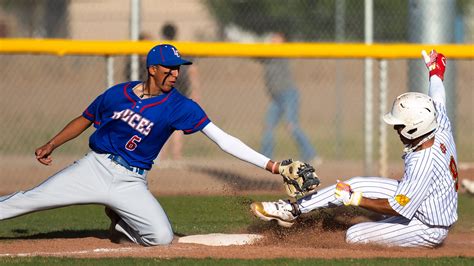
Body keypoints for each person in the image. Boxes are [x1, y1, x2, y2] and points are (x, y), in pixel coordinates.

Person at [0, 44, 292, 246]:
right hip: (94, 167)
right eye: (170, 68)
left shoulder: (180, 106)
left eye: (179, 69)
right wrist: (52, 143)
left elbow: (222, 139)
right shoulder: (118, 94)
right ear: (153, 68)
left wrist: (272, 165)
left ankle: (121, 225)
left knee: (161, 239)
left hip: (131, 180)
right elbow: (85, 118)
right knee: (30, 199)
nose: (176, 74)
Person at [251, 50, 458, 248]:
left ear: (415, 128)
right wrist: (435, 73)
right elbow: (438, 98)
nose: (395, 128)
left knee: (355, 235)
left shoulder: (423, 162)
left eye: (400, 125)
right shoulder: (438, 125)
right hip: (424, 198)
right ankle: (292, 209)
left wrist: (355, 199)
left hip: (428, 226)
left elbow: (400, 206)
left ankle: (390, 225)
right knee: (356, 183)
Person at [260, 32, 319, 163]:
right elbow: (255, 54)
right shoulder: (266, 54)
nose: (273, 42)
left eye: (277, 40)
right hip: (276, 98)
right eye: (272, 40)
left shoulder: (282, 52)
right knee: (268, 126)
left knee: (291, 125)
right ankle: (264, 159)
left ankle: (311, 154)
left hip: (288, 94)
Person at [159, 22, 200, 162]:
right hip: (181, 90)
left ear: (163, 34)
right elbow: (192, 70)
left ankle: (162, 156)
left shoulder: (160, 50)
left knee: (161, 123)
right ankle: (176, 155)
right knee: (176, 124)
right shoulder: (181, 48)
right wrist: (195, 90)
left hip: (163, 90)